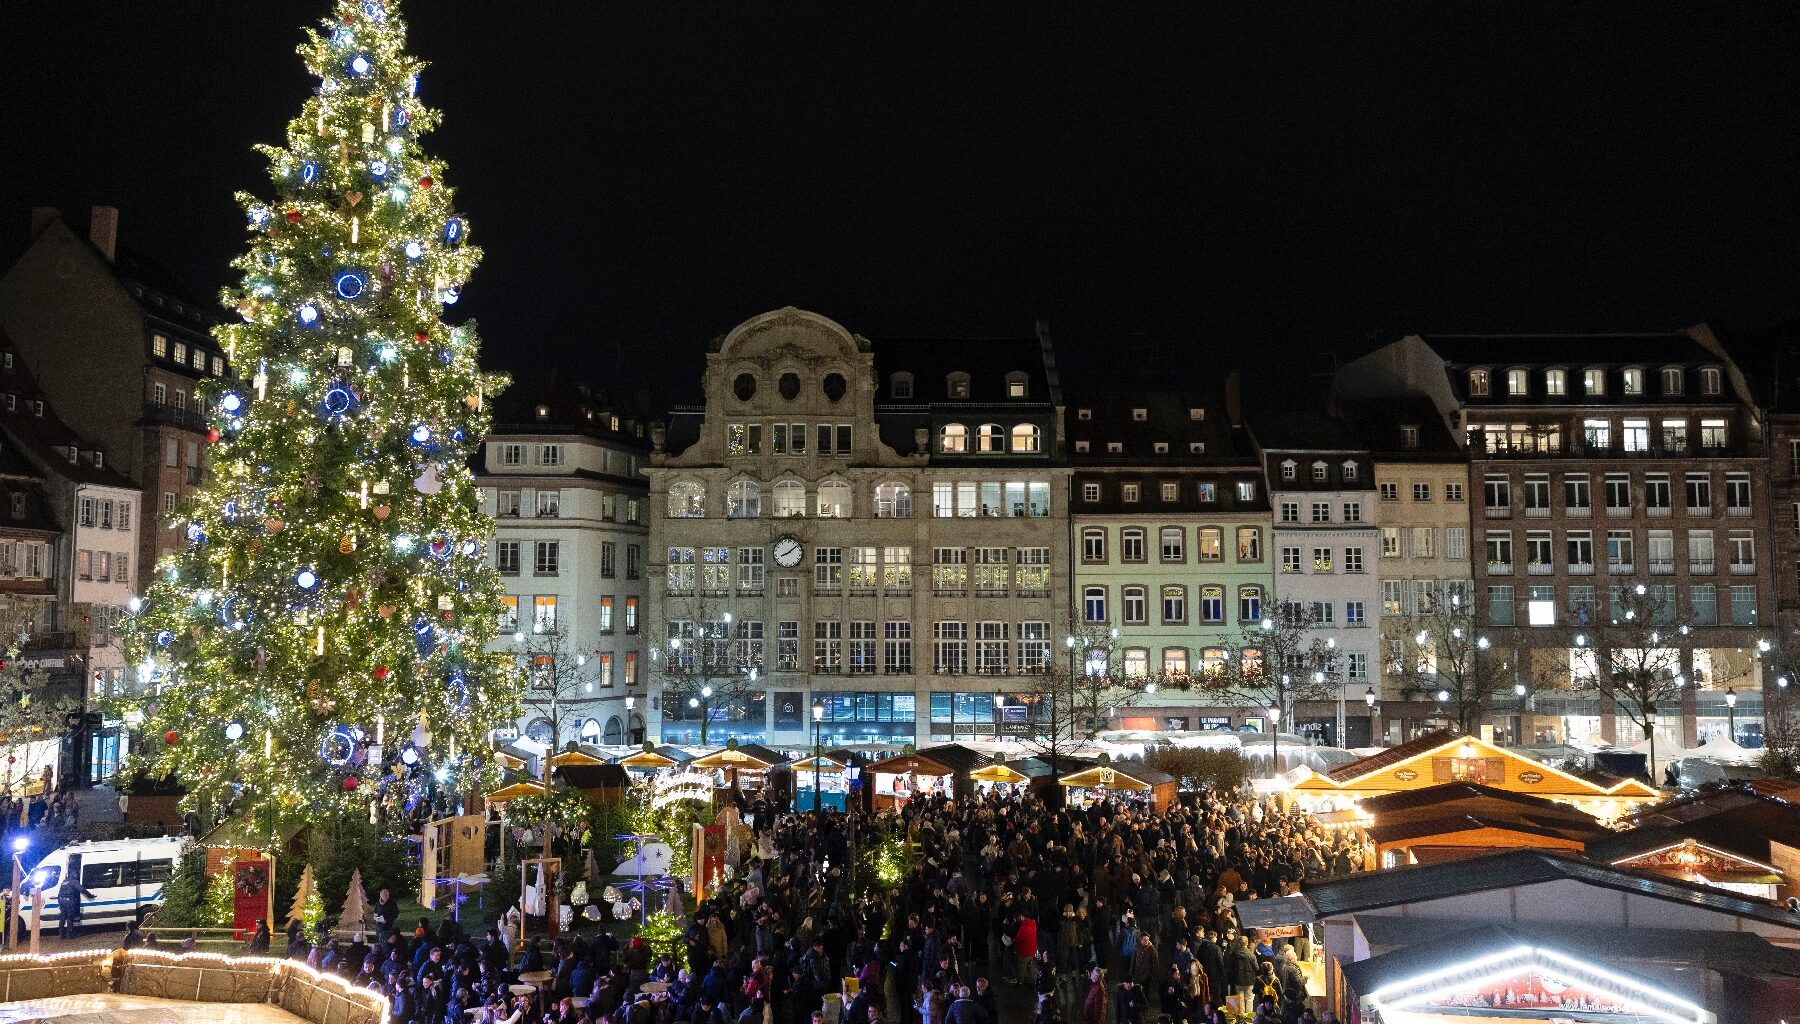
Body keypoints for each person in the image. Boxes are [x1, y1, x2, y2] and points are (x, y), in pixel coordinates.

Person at [56, 871, 96, 939]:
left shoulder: (64, 882)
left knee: (62, 919)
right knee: (69, 918)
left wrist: (60, 902)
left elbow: (60, 893)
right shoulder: (74, 881)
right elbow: (81, 889)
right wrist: (90, 895)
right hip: (69, 901)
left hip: (61, 901)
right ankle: (69, 935)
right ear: (74, 875)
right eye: (75, 875)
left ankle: (61, 935)